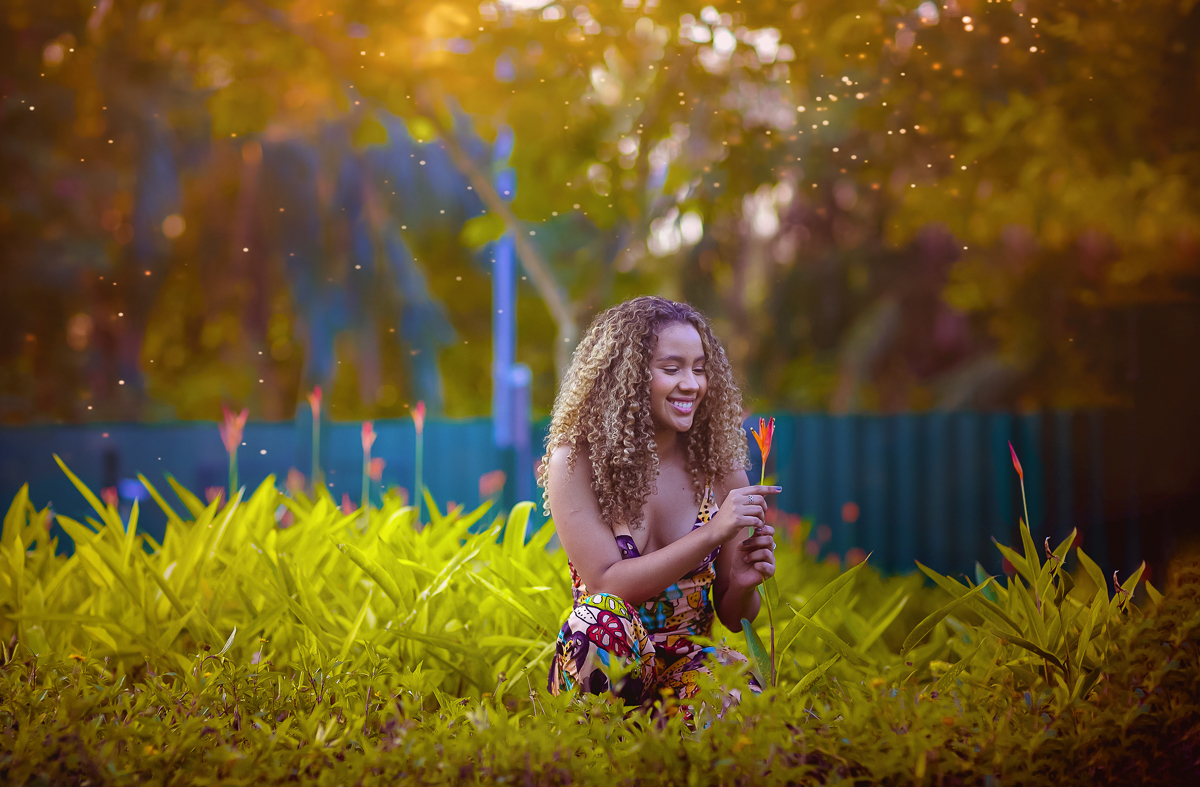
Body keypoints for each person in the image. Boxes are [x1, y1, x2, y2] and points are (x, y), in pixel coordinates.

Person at [537, 296, 780, 708]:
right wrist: (712, 534)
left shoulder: (718, 470)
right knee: (598, 618)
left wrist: (741, 583)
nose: (692, 383)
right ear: (627, 377)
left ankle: (672, 740)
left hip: (690, 663)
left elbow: (734, 618)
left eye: (700, 369)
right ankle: (598, 756)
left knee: (743, 706)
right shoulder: (576, 462)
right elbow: (606, 585)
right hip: (611, 659)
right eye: (672, 369)